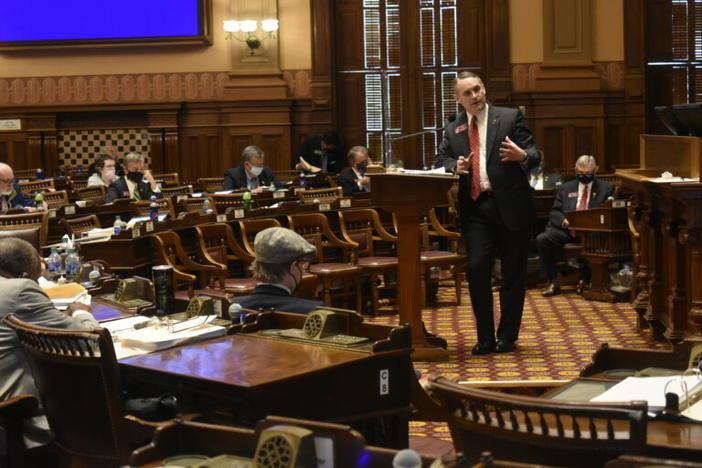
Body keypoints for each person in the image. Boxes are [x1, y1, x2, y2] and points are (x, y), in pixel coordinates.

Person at [434, 71, 541, 355]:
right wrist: (452, 167)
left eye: (478, 89)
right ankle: (484, 338)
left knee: (513, 274)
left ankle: (507, 336)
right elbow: (441, 159)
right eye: (467, 93)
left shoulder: (508, 117)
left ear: (484, 88)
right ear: (458, 99)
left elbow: (535, 152)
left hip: (511, 205)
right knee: (478, 268)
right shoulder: (453, 128)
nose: (476, 96)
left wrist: (524, 156)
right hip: (476, 208)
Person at [0, 238, 98, 447]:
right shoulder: (19, 289)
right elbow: (90, 342)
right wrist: (81, 312)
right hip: (17, 417)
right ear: (23, 276)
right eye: (36, 279)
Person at [536, 155, 615, 297]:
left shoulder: (606, 188)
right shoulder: (566, 187)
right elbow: (555, 211)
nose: (584, 176)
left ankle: (592, 279)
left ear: (596, 170)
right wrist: (564, 221)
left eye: (588, 173)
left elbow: (607, 213)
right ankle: (552, 281)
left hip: (593, 234)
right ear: (575, 170)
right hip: (568, 231)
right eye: (580, 173)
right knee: (543, 239)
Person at [231, 227, 324, 315]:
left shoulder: (233, 306)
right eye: (302, 265)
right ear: (293, 267)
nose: (303, 270)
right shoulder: (313, 311)